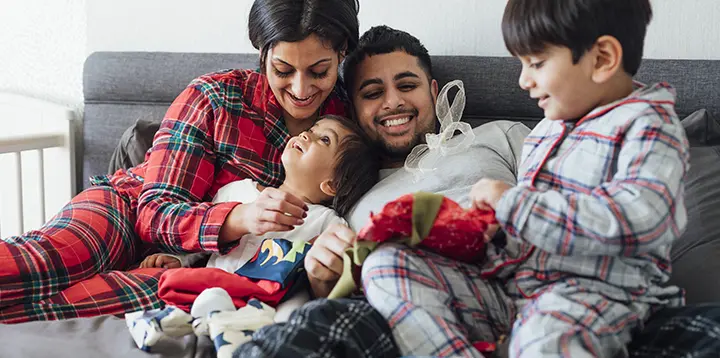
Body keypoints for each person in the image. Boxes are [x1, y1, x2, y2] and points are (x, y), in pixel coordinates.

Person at [0, 0, 360, 324]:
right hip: (128, 207)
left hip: (193, 266)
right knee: (56, 260)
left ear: (342, 54)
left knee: (76, 305)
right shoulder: (216, 97)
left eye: (318, 71)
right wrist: (239, 217)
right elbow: (153, 213)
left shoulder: (347, 130)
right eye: (283, 70)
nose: (300, 89)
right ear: (263, 53)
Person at [364, 1, 689, 357]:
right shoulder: (546, 130)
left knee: (545, 339)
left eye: (535, 63)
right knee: (385, 265)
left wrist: (514, 204)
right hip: (513, 290)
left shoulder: (648, 127)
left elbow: (640, 220)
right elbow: (525, 229)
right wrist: (488, 228)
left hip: (594, 295)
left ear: (602, 59)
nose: (523, 80)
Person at [234, 25, 530, 358]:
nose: (393, 102)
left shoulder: (499, 136)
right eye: (372, 93)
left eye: (407, 85)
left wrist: (515, 207)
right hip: (412, 305)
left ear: (433, 91)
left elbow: (569, 202)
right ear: (353, 110)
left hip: (522, 281)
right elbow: (343, 300)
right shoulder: (348, 199)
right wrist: (321, 277)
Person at [138, 115, 378, 321]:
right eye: (311, 130)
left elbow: (335, 281)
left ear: (332, 185)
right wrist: (177, 260)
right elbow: (202, 245)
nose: (306, 135)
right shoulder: (237, 191)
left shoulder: (327, 223)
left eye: (324, 140)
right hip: (204, 295)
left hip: (264, 313)